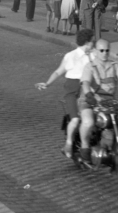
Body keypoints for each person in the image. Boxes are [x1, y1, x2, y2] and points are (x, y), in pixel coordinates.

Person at [35, 29, 96, 158]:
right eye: (92, 41)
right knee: (74, 119)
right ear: (87, 42)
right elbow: (58, 72)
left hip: (87, 91)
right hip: (72, 91)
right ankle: (68, 144)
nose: (94, 44)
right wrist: (47, 83)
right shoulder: (71, 56)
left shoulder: (94, 55)